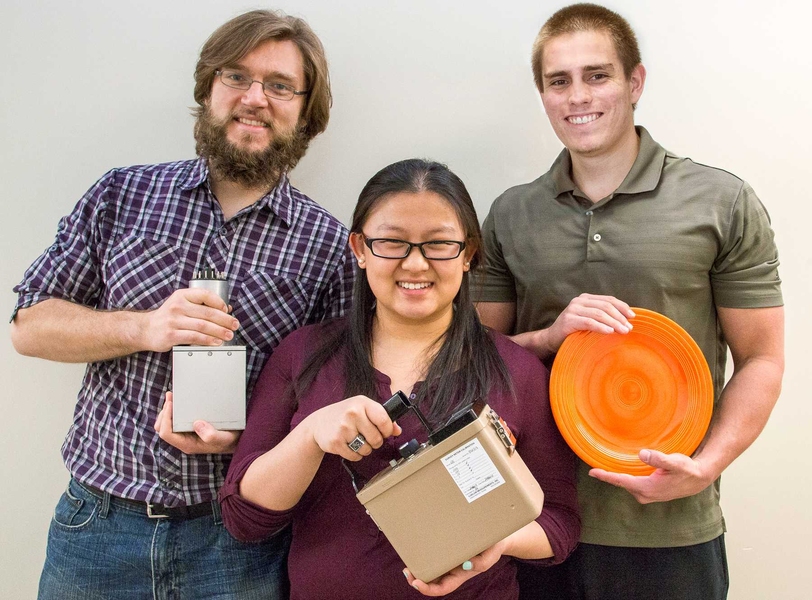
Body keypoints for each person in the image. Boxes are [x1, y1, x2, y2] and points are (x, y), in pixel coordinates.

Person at [10, 9, 353, 599]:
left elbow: (334, 402)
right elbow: (28, 326)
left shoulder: (329, 245)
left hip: (238, 540)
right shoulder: (123, 195)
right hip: (98, 526)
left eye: (279, 85)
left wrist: (245, 436)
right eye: (235, 77)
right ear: (208, 89)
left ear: (307, 111)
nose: (254, 98)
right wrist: (144, 327)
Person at [475, 4, 784, 600]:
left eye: (597, 75)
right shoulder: (510, 213)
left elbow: (762, 360)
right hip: (534, 522)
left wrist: (705, 468)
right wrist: (547, 338)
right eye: (558, 81)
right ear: (541, 93)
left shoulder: (722, 202)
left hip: (670, 531)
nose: (577, 97)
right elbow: (478, 360)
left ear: (635, 82)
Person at [219, 158, 580, 599]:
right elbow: (245, 517)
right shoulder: (303, 355)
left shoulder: (517, 371)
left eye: (438, 244)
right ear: (359, 249)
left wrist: (498, 540)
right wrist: (311, 436)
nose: (414, 264)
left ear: (467, 254)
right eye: (392, 242)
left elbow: (559, 525)